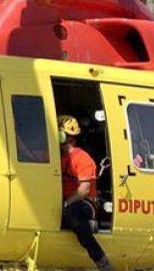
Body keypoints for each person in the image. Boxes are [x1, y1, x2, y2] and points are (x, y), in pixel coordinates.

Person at [59, 115, 112, 271]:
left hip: (85, 203)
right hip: (65, 200)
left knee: (71, 213)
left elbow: (84, 190)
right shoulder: (57, 158)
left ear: (64, 136)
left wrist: (67, 203)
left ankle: (100, 259)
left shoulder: (82, 158)